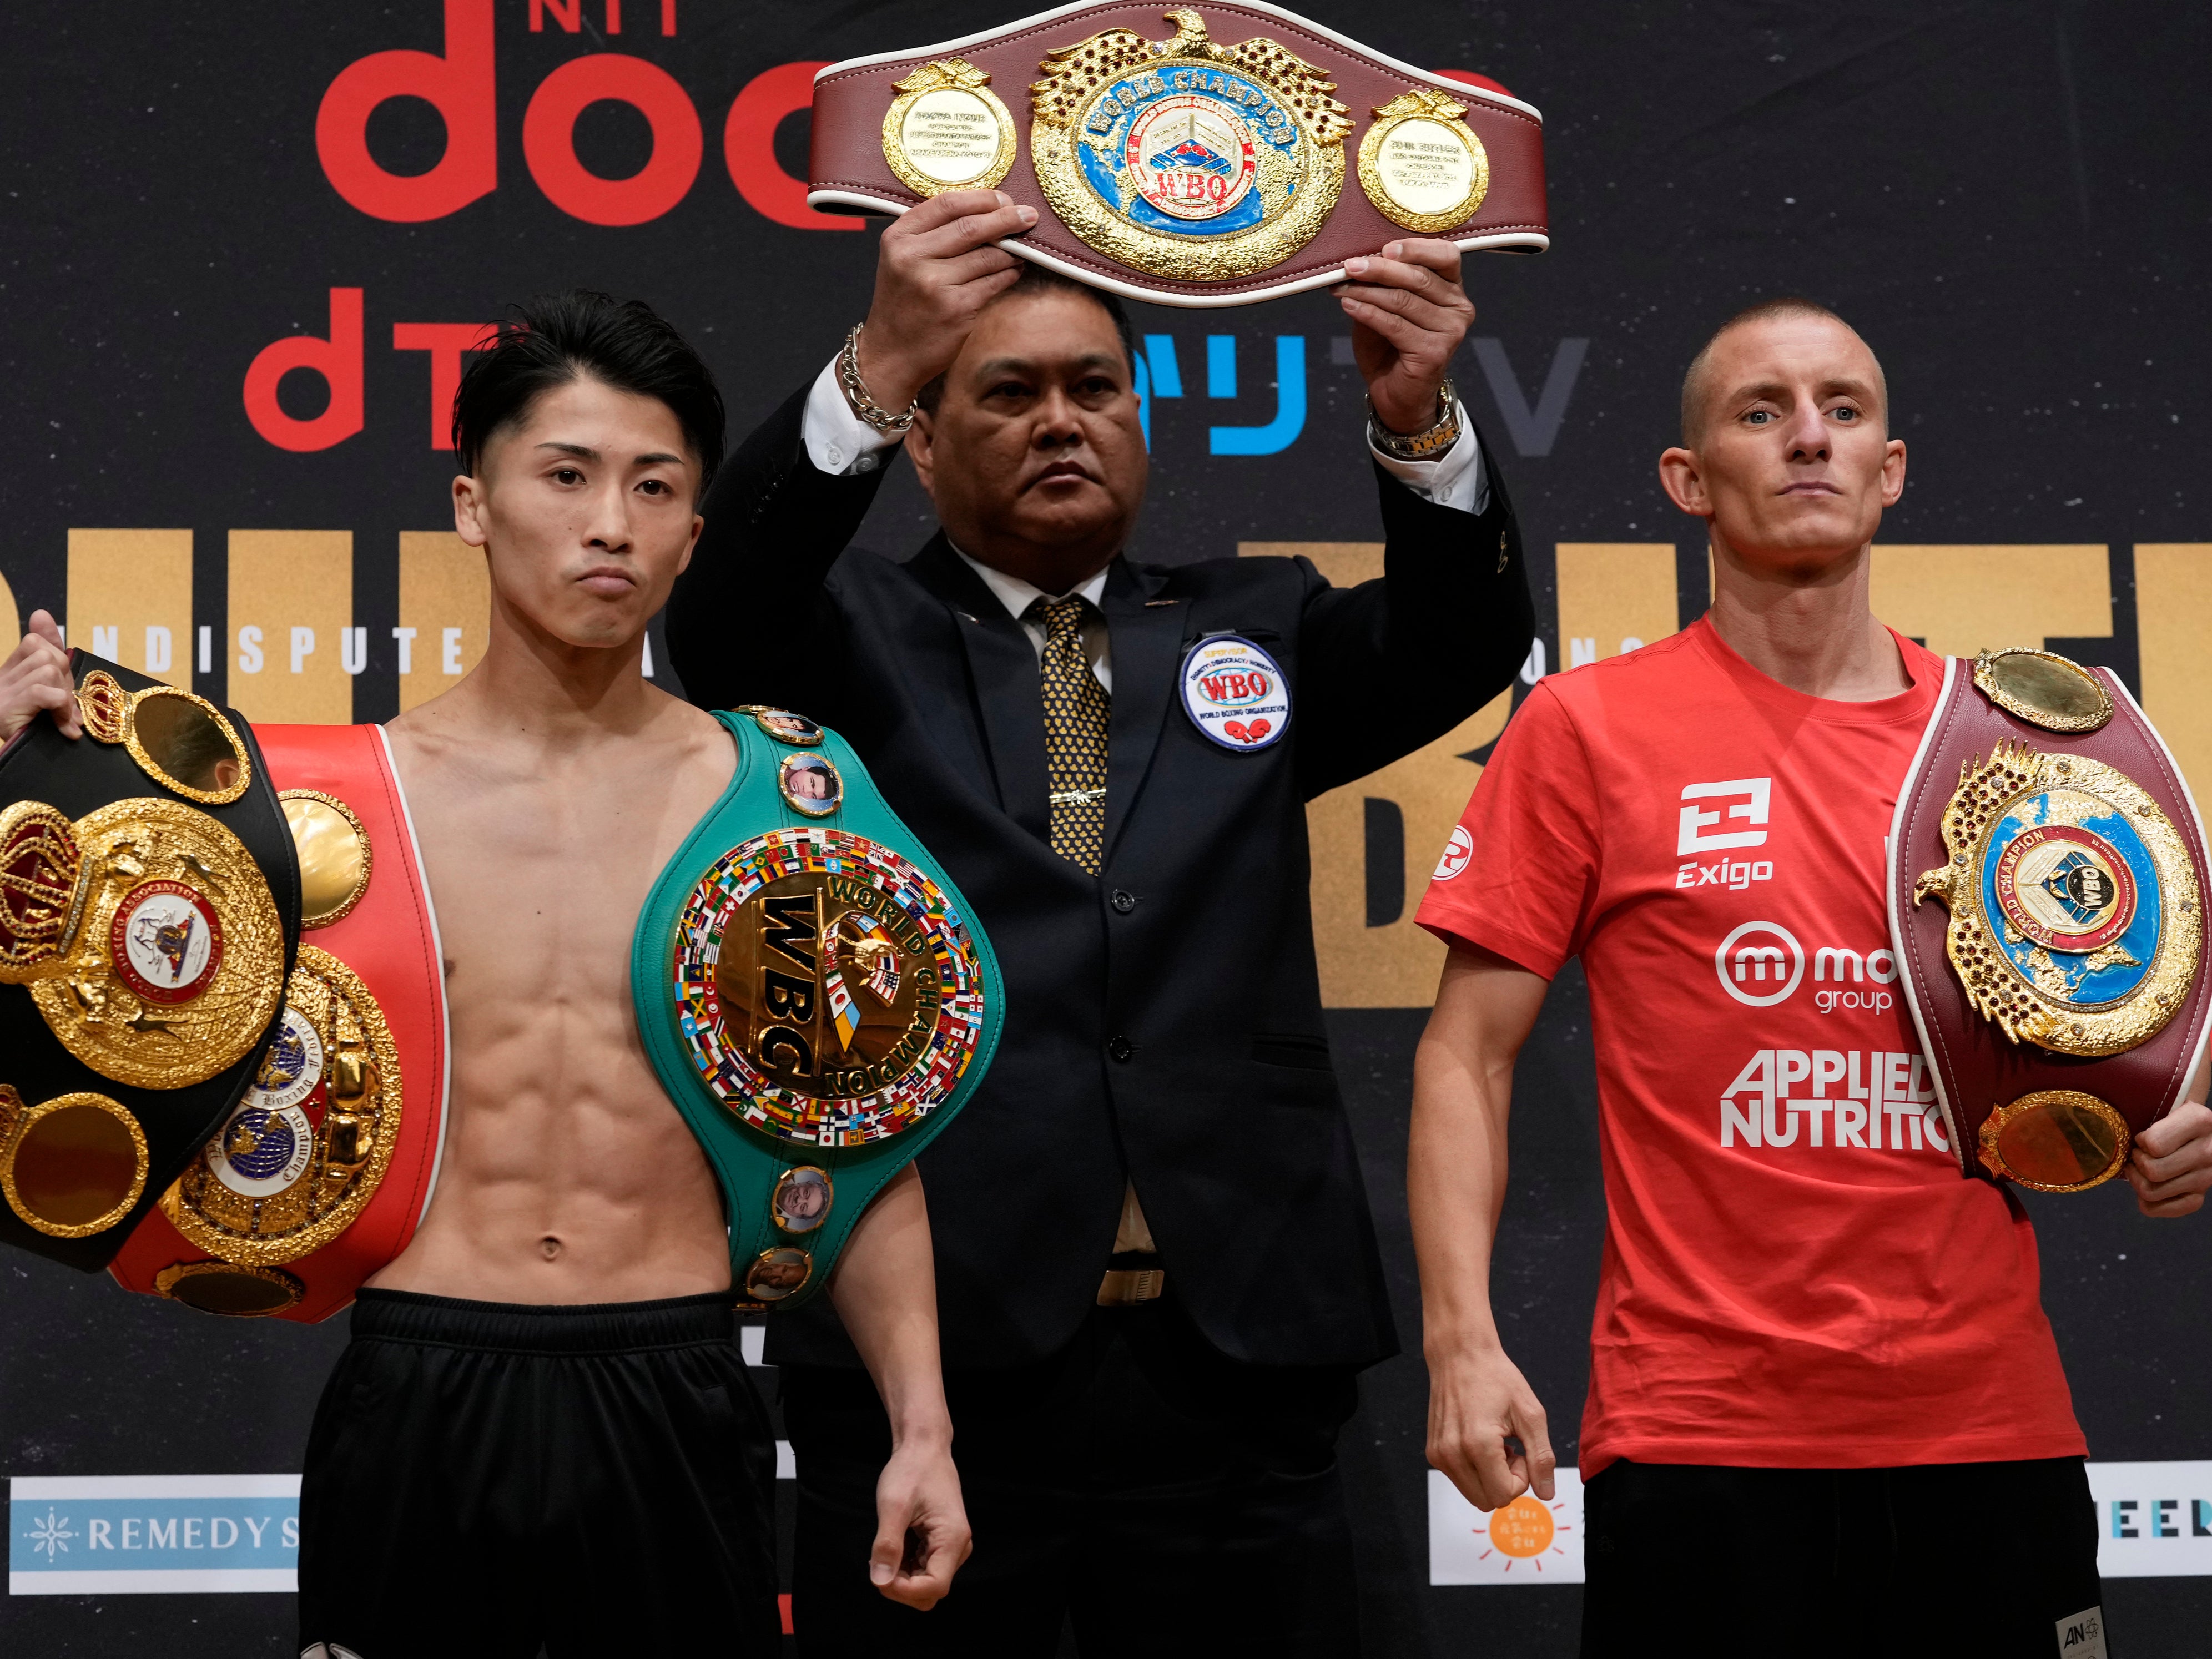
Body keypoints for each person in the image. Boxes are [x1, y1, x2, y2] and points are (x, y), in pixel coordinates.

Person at [1, 292, 971, 1658]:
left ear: (696, 530)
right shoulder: (306, 806)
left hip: (680, 1392)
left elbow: (858, 1141)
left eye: (653, 487)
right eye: (564, 476)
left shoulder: (781, 805)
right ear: (472, 503)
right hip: (420, 1392)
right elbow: (56, 977)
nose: (609, 524)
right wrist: (14, 778)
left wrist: (920, 1426)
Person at [669, 189, 1533, 1655]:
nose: (1062, 419)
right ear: (924, 440)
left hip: (1239, 1356)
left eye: (1095, 388)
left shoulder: (1254, 622)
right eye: (1007, 393)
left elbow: (1465, 640)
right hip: (937, 1358)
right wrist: (874, 360)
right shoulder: (851, 636)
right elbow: (722, 614)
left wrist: (1418, 418)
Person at [1407, 297, 2212, 1657]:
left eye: (1843, 410)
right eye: (1759, 412)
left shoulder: (2012, 746)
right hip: (1701, 1439)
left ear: (1890, 469)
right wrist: (1461, 1343)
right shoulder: (1586, 730)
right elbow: (1463, 1055)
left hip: (1986, 1430)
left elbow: (2128, 1006)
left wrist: (2162, 1119)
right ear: (1688, 479)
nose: (1808, 441)